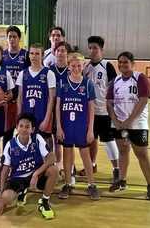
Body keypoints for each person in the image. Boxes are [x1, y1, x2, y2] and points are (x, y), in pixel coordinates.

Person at [107, 51, 150, 200]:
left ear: (132, 64)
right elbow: (109, 102)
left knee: (141, 154)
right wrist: (115, 121)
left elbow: (143, 100)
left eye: (125, 62)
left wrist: (129, 122)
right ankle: (122, 180)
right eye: (120, 62)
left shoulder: (140, 78)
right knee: (122, 151)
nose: (122, 64)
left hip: (137, 124)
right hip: (119, 124)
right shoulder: (115, 81)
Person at [0, 113, 58, 220]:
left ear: (32, 129)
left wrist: (36, 174)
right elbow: (5, 170)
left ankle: (44, 201)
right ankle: (22, 191)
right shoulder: (10, 145)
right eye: (21, 126)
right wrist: (1, 195)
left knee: (54, 170)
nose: (24, 129)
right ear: (16, 127)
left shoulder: (37, 138)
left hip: (35, 175)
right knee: (6, 198)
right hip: (18, 178)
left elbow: (52, 157)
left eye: (27, 127)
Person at [56, 53, 100, 200]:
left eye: (79, 66)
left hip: (82, 126)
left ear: (83, 66)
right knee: (67, 155)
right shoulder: (63, 83)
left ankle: (91, 185)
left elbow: (92, 109)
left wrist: (90, 130)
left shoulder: (88, 84)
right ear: (68, 66)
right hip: (67, 125)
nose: (76, 68)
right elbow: (57, 106)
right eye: (73, 66)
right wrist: (59, 127)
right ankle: (68, 184)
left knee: (85, 155)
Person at [80, 36, 119, 182]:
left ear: (101, 49)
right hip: (90, 113)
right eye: (90, 48)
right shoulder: (86, 67)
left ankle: (117, 169)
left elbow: (115, 87)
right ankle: (92, 164)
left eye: (95, 48)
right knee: (91, 140)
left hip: (104, 112)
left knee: (109, 141)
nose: (92, 51)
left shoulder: (107, 65)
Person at [16, 43, 56, 149]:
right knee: (28, 146)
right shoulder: (22, 74)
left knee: (46, 145)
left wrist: (47, 119)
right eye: (32, 53)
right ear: (29, 55)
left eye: (37, 54)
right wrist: (19, 117)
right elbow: (19, 97)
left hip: (42, 116)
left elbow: (51, 98)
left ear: (42, 55)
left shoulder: (49, 73)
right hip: (27, 116)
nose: (34, 56)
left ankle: (50, 164)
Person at [2, 25, 29, 146]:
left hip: (22, 100)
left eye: (14, 37)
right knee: (7, 133)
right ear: (7, 39)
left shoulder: (26, 55)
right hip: (6, 101)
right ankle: (6, 160)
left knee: (22, 133)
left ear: (19, 38)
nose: (12, 39)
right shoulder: (2, 56)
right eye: (10, 37)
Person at [49, 41, 72, 172]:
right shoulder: (49, 70)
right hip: (53, 109)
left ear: (67, 54)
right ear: (54, 53)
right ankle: (59, 166)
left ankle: (70, 167)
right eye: (59, 50)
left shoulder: (72, 70)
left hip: (68, 109)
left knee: (68, 141)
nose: (61, 53)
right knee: (56, 140)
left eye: (64, 50)